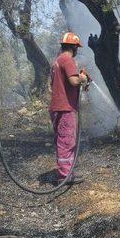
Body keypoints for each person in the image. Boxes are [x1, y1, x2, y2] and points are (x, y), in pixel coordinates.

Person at [49, 31, 90, 185]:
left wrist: (81, 80)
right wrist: (82, 78)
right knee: (67, 142)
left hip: (57, 107)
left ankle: (66, 172)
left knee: (63, 140)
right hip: (65, 108)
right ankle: (65, 175)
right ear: (74, 47)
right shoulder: (68, 60)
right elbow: (73, 82)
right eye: (77, 47)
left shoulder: (57, 61)